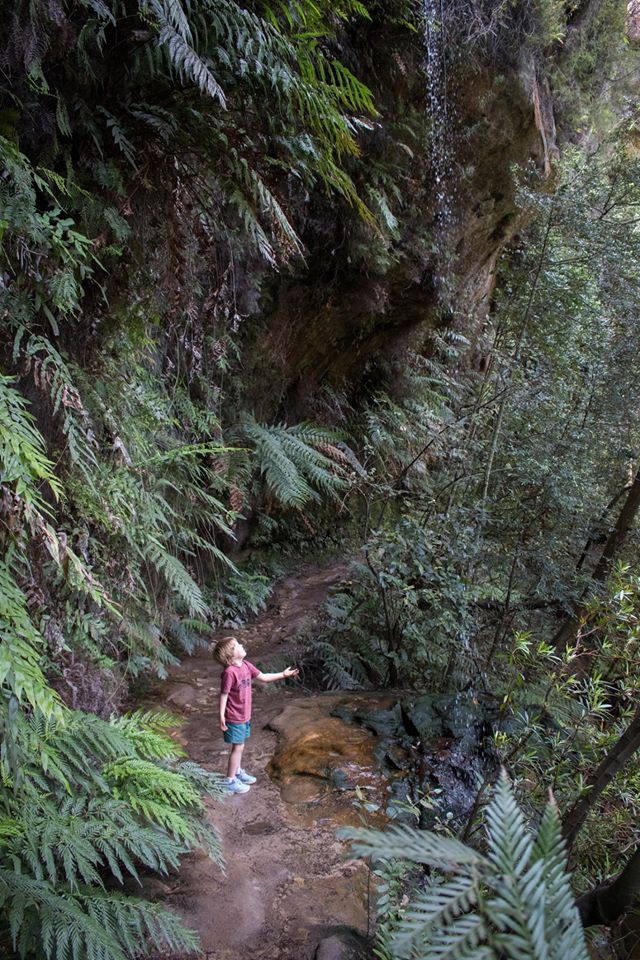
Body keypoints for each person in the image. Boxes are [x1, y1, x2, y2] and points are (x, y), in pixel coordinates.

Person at [213, 635, 299, 794]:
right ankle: (230, 780)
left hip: (244, 715)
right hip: (234, 716)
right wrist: (221, 716)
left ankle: (237, 771)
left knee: (241, 745)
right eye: (237, 644)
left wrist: (283, 674)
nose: (241, 644)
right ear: (230, 654)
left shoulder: (246, 665)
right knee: (237, 747)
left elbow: (264, 677)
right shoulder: (229, 673)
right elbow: (224, 695)